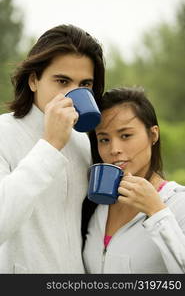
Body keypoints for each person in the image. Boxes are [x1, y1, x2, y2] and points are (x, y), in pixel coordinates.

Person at [0, 24, 105, 273]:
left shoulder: (85, 140)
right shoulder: (3, 133)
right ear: (34, 80)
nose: (72, 94)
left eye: (85, 84)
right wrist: (50, 145)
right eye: (62, 80)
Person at [82, 87, 185, 274]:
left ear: (153, 135)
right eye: (104, 139)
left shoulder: (179, 203)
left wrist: (156, 212)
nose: (114, 149)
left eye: (125, 135)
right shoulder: (98, 205)